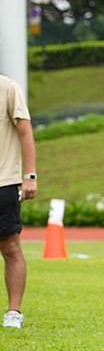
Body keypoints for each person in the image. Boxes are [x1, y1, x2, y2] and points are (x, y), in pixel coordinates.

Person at [1, 74, 37, 330]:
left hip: (3, 182)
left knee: (11, 248)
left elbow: (25, 132)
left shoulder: (7, 88)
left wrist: (30, 176)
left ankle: (14, 312)